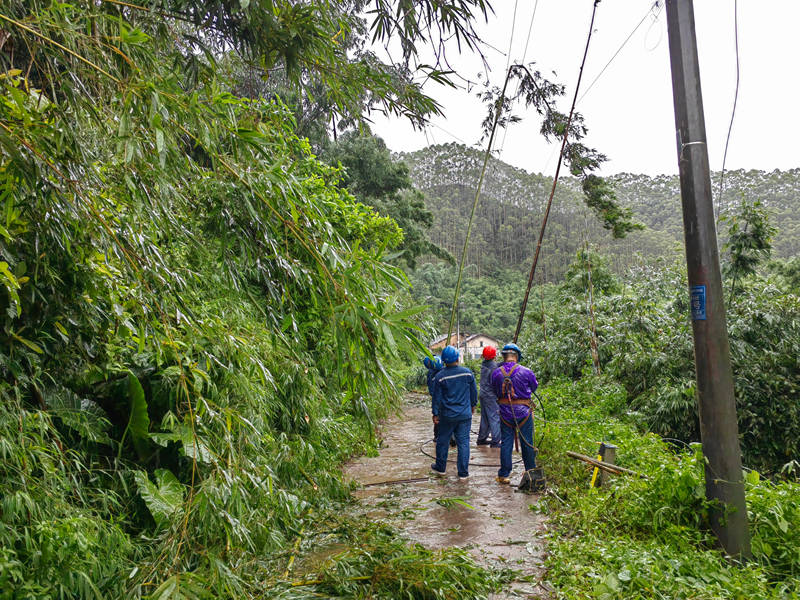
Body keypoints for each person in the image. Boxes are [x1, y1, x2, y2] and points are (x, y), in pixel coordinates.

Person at [490, 343, 538, 484]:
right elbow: (534, 386)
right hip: (523, 412)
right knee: (527, 442)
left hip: (505, 412)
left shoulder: (496, 373)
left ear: (504, 357)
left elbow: (495, 390)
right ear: (516, 356)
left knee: (506, 442)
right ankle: (530, 472)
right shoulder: (527, 371)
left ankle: (504, 474)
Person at [430, 345, 477, 479]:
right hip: (464, 415)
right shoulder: (467, 373)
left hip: (447, 416)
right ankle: (463, 473)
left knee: (443, 441)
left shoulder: (440, 376)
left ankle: (441, 468)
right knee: (463, 443)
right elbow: (474, 393)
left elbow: (436, 398)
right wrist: (473, 406)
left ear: (444, 360)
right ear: (457, 357)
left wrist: (435, 413)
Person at [476, 345, 501, 448]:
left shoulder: (484, 364)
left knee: (485, 417)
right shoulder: (495, 368)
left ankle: (482, 439)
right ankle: (495, 441)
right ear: (494, 356)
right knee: (494, 417)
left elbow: (494, 365)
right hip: (491, 396)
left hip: (483, 394)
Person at [423, 355, 444, 441]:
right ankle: (437, 436)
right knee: (439, 418)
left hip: (442, 400)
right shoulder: (432, 374)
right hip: (441, 400)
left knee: (439, 417)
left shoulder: (436, 374)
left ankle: (438, 436)